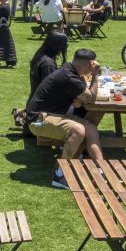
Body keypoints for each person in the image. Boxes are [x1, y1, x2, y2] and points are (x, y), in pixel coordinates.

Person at [25, 49, 104, 189]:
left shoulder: (70, 69)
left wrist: (79, 98)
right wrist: (95, 74)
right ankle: (60, 175)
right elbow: (90, 98)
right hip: (38, 120)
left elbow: (81, 97)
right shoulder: (69, 76)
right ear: (88, 64)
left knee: (90, 128)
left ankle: (102, 170)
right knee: (78, 130)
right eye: (92, 65)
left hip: (54, 115)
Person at [28, 31, 69, 101]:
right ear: (57, 46)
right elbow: (51, 88)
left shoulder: (41, 56)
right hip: (42, 106)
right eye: (65, 45)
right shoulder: (48, 64)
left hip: (36, 101)